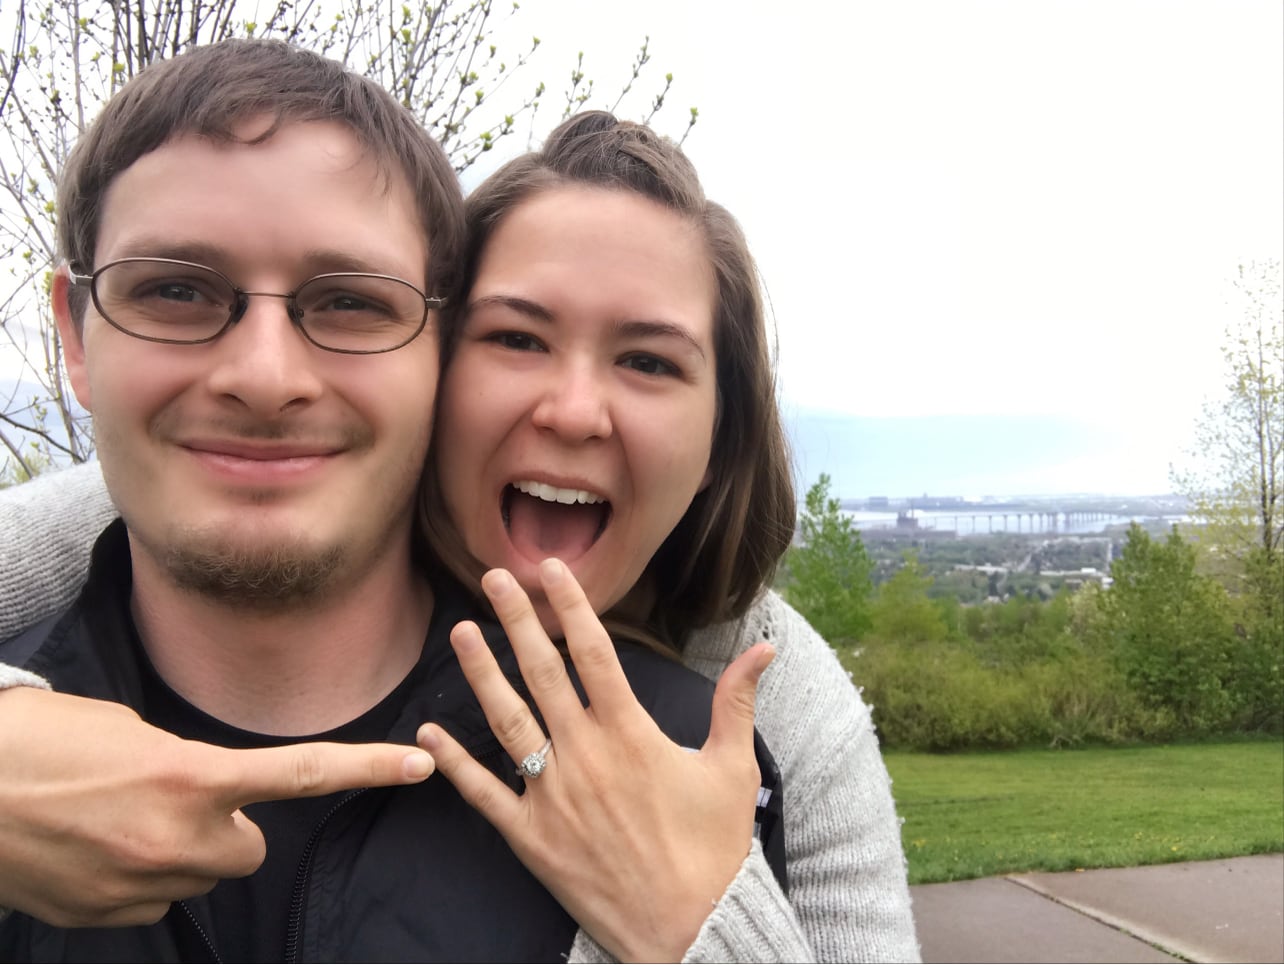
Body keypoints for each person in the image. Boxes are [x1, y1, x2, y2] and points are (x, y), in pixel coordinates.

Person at [0, 54, 917, 962]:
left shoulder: (746, 735)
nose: (265, 380)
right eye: (176, 290)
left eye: (350, 303)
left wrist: (701, 926)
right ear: (73, 334)